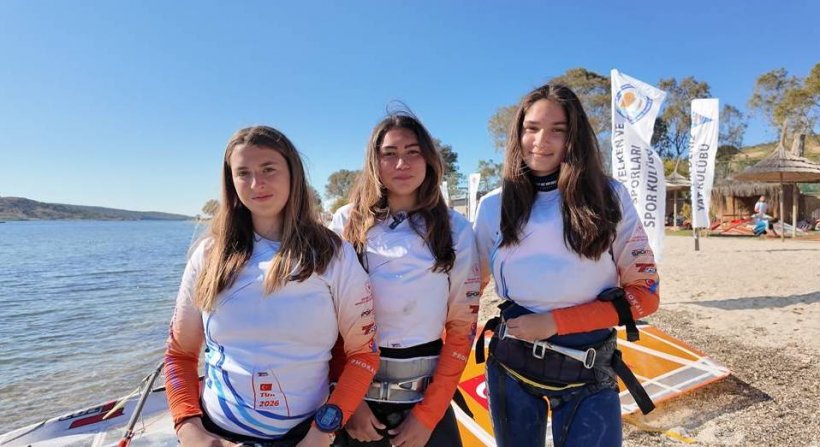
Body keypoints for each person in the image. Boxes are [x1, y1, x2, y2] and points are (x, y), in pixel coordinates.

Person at [164, 126, 379, 447]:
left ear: (293, 173)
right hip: (219, 435)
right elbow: (180, 353)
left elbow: (363, 354)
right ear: (231, 182)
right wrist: (189, 428)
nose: (256, 183)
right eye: (243, 173)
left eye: (268, 169)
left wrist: (323, 433)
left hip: (307, 436)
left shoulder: (332, 254)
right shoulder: (208, 255)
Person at [473, 84, 660, 447]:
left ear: (574, 137)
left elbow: (646, 296)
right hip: (510, 367)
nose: (541, 141)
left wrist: (555, 323)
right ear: (518, 133)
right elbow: (467, 292)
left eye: (557, 130)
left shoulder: (610, 196)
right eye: (531, 128)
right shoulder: (492, 205)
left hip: (588, 371)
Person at [330, 113, 480, 447]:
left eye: (413, 152)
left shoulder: (455, 229)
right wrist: (348, 402)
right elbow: (328, 322)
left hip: (424, 406)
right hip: (357, 405)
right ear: (374, 161)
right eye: (390, 153)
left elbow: (461, 329)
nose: (402, 163)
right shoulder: (345, 221)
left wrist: (428, 416)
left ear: (428, 159)